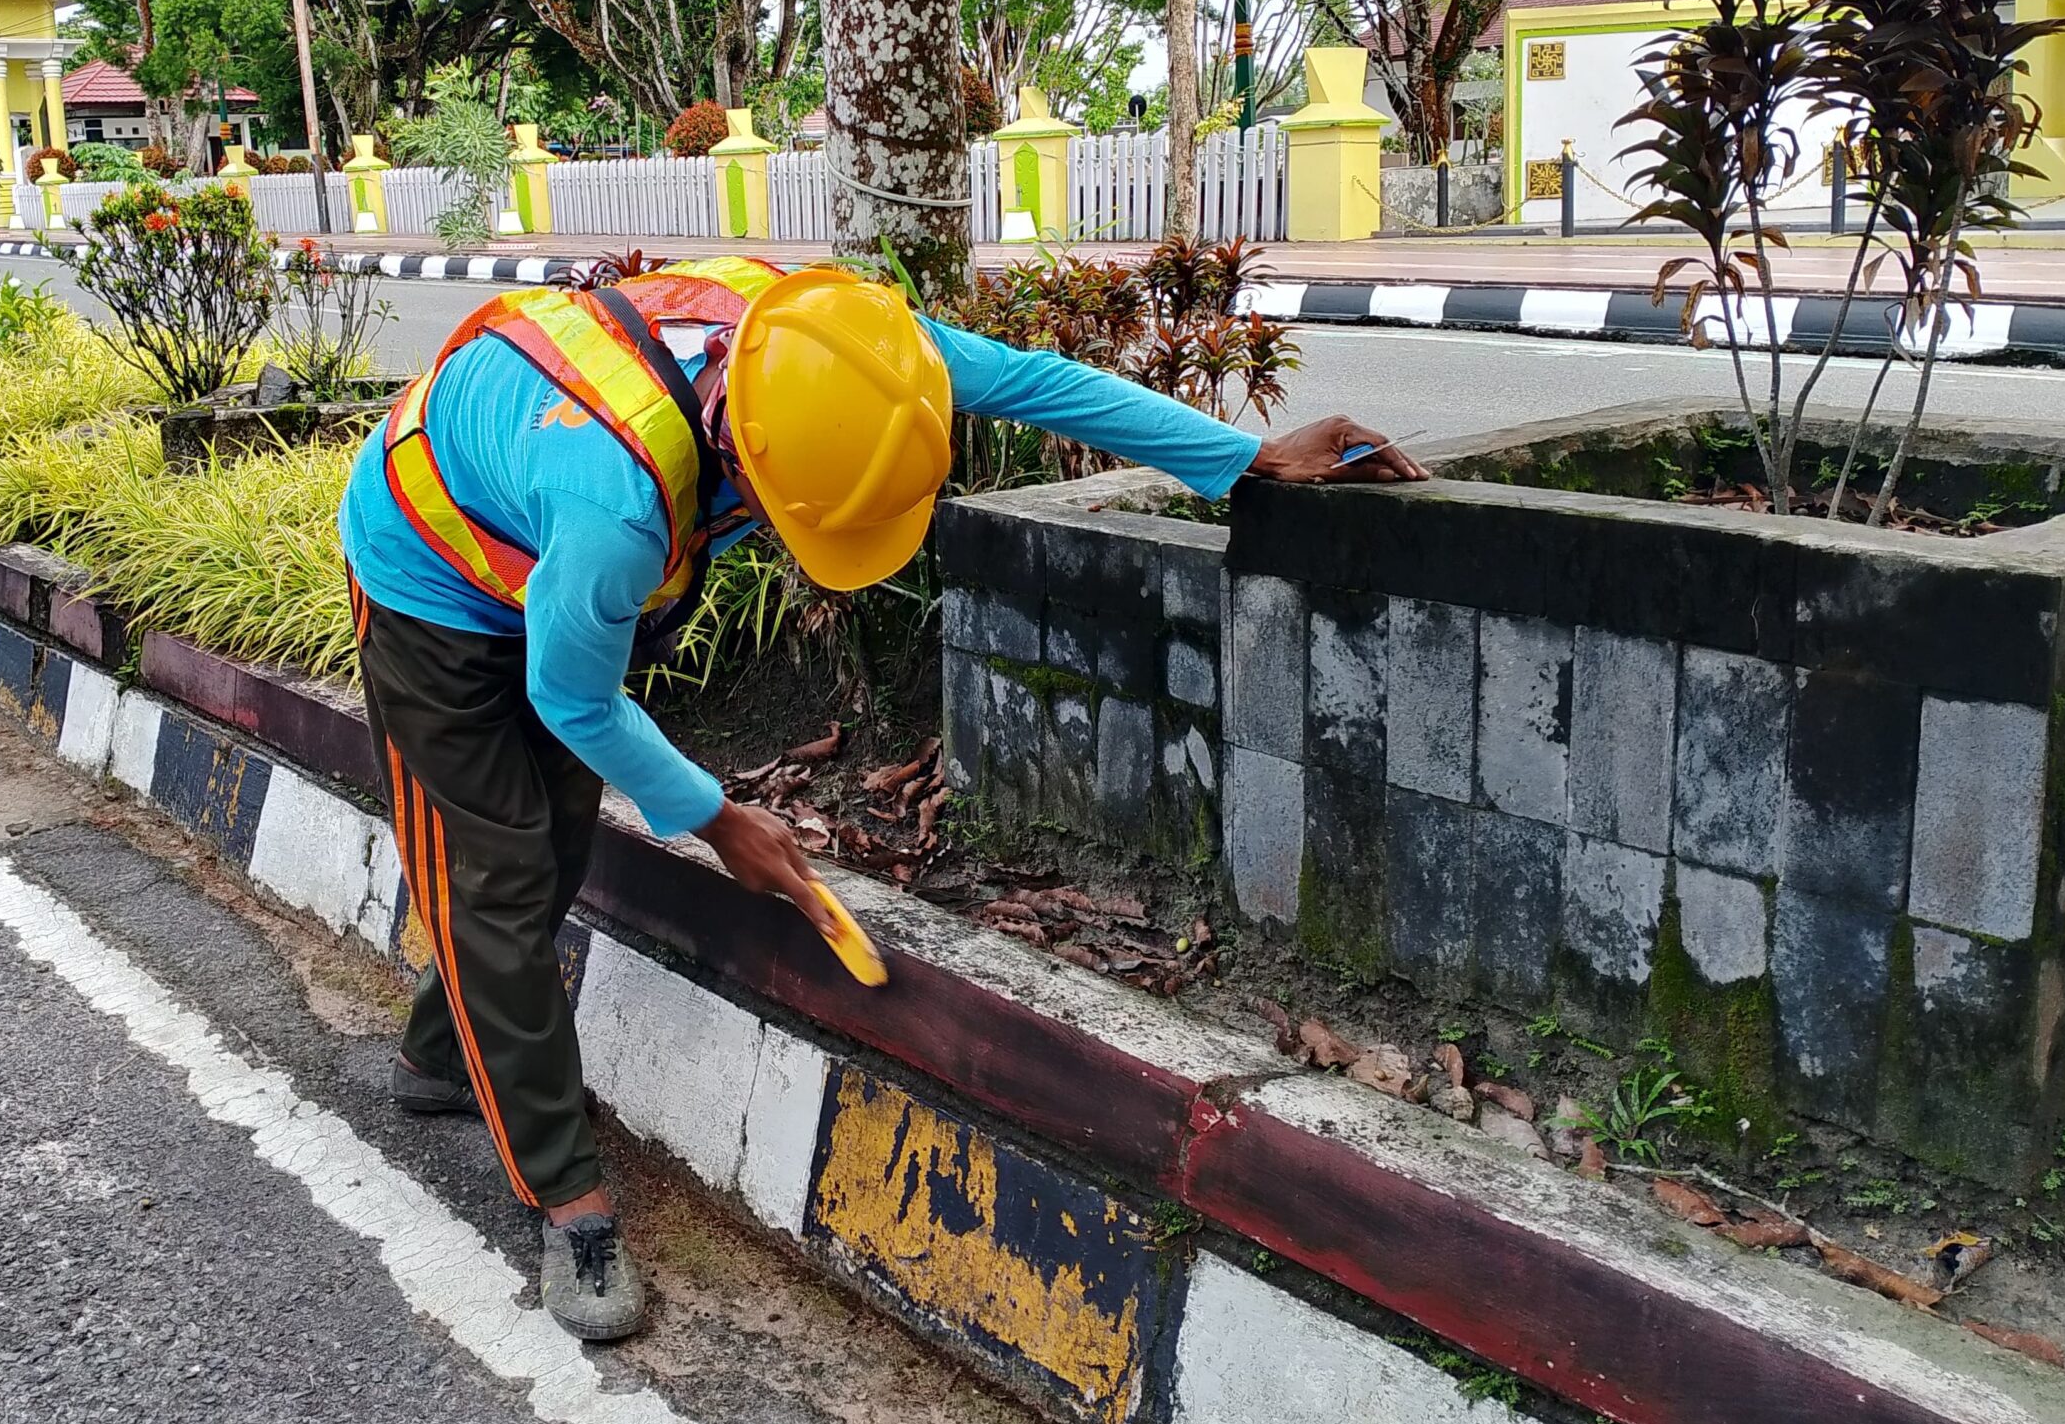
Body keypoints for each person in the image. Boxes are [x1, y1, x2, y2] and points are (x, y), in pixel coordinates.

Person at [337, 255, 1422, 1341]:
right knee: (497, 874)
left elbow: (1035, 380)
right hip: (428, 572)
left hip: (536, 537)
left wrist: (1240, 460)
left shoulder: (849, 350)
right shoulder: (615, 512)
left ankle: (444, 1053)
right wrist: (720, 818)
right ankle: (566, 1201)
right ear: (743, 458)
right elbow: (572, 696)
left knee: (559, 844)